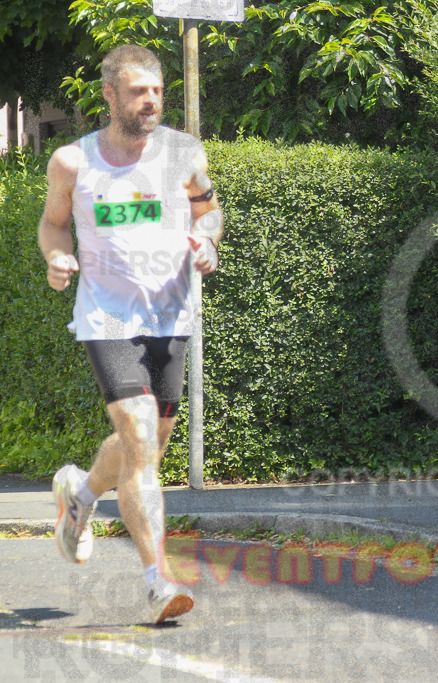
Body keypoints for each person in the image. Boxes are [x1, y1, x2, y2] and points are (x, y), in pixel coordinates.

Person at [37, 45, 223, 623]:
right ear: (110, 94)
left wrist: (208, 240)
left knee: (148, 444)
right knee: (139, 433)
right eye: (139, 91)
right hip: (107, 317)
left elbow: (208, 209)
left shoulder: (183, 153)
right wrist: (56, 257)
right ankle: (158, 581)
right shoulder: (73, 162)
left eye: (158, 91)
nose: (151, 101)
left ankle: (81, 496)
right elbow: (53, 224)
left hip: (170, 316)